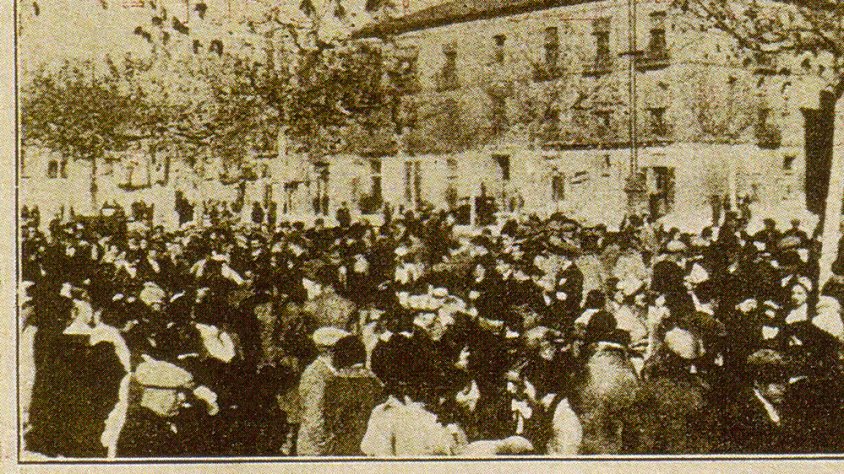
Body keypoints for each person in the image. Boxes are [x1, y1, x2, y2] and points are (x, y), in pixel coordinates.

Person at [296, 327, 349, 455]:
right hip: (316, 450)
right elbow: (314, 416)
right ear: (332, 351)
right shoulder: (316, 374)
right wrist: (326, 445)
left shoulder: (329, 372)